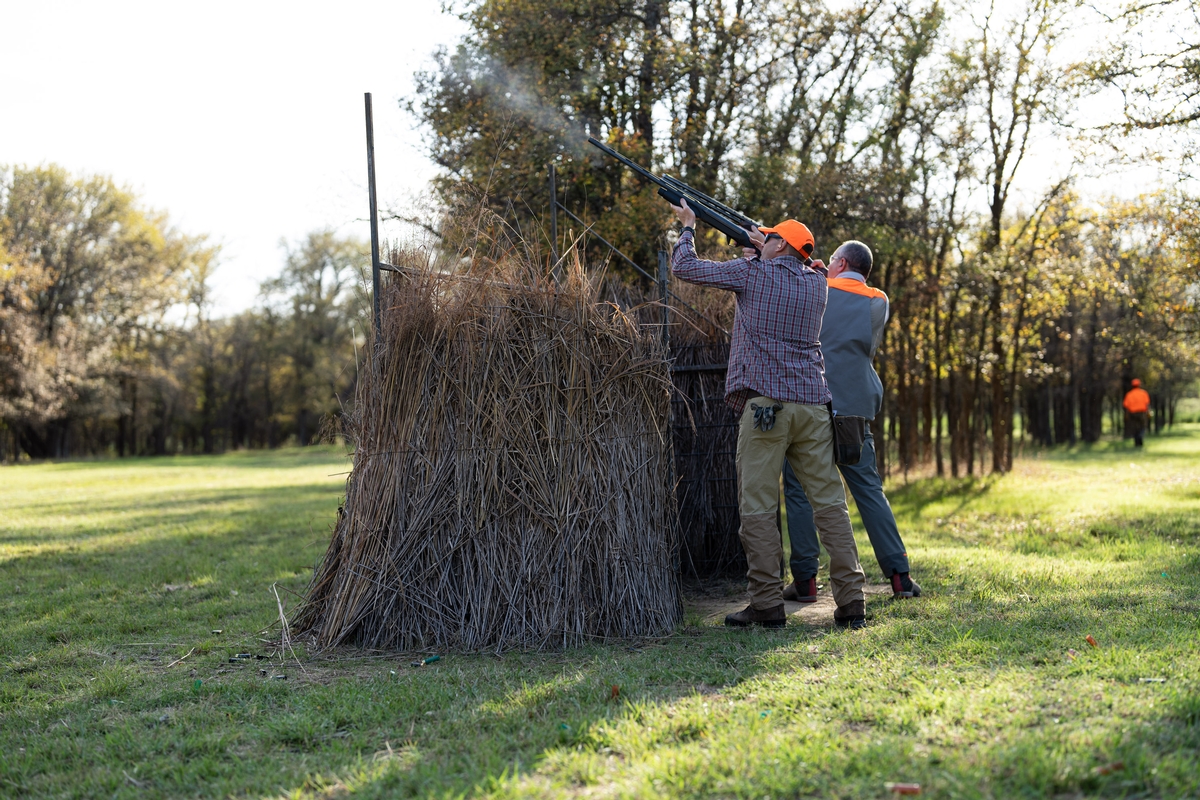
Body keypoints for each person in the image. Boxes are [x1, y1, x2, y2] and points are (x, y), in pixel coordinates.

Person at [668, 198, 869, 630]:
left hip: (766, 410)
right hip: (814, 408)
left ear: (779, 247)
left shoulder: (751, 273)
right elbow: (810, 265)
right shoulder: (818, 284)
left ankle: (766, 604)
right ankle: (852, 602)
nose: (767, 237)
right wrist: (768, 247)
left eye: (773, 235)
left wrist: (688, 226)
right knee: (830, 504)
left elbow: (685, 268)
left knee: (758, 507)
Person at [776, 240, 922, 602]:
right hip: (855, 408)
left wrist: (815, 274)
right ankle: (900, 577)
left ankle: (806, 580)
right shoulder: (878, 301)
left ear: (838, 262)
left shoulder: (813, 288)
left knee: (798, 491)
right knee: (869, 490)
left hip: (811, 401)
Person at [1123, 379, 1151, 447]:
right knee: (1143, 427)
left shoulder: (1129, 394)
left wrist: (1126, 415)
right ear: (1139, 385)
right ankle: (1140, 437)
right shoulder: (1143, 393)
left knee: (1134, 428)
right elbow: (1147, 404)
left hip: (1132, 414)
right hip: (1142, 413)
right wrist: (1148, 412)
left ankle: (1137, 443)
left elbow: (1126, 406)